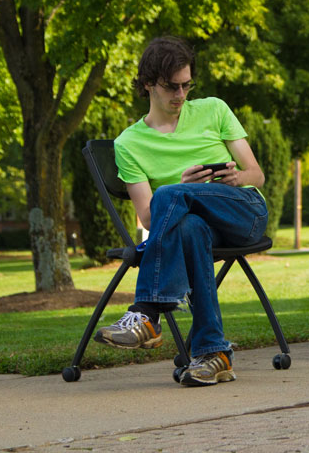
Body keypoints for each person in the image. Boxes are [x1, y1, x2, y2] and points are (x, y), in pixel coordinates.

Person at [93, 36, 268, 387]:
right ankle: (214, 354)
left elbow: (257, 175)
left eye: (187, 85)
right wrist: (185, 190)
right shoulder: (128, 144)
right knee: (187, 227)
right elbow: (147, 216)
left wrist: (235, 178)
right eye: (172, 87)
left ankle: (146, 312)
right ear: (147, 85)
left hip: (243, 212)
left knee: (172, 194)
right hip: (197, 226)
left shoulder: (214, 109)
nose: (181, 95)